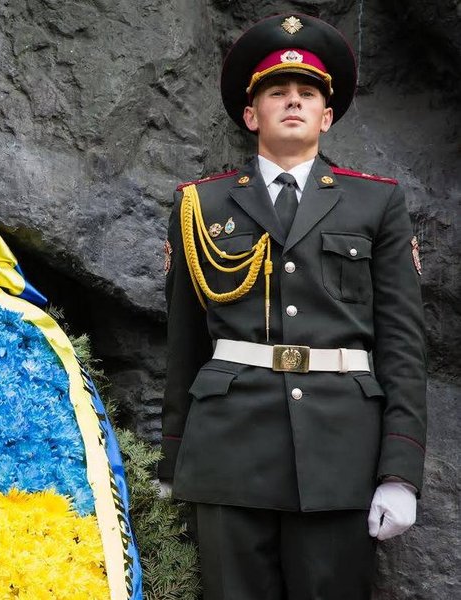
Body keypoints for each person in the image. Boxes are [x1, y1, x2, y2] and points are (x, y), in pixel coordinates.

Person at [157, 13, 426, 599]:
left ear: (326, 116)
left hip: (341, 455)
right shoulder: (199, 204)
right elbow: (184, 343)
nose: (294, 100)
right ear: (251, 114)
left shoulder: (376, 203)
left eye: (307, 93)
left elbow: (404, 347)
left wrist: (400, 472)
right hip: (227, 451)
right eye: (277, 92)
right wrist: (172, 461)